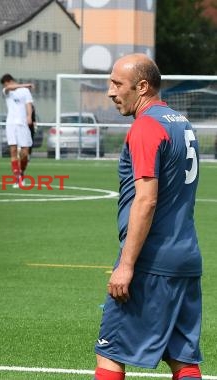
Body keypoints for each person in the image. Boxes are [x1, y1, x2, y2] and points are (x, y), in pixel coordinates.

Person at [94, 53, 203, 380]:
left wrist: (126, 265)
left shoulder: (146, 126)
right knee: (182, 359)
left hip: (150, 261)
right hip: (185, 258)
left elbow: (146, 201)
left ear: (142, 87)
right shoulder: (180, 121)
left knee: (110, 351)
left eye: (117, 84)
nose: (110, 92)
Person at [0, 74, 35, 186]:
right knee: (13, 150)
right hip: (11, 124)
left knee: (24, 152)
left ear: (9, 81)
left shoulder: (25, 91)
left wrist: (29, 116)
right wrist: (25, 85)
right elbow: (9, 88)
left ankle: (22, 173)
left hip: (22, 124)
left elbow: (29, 104)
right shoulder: (7, 91)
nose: (6, 86)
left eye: (6, 83)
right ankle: (17, 178)